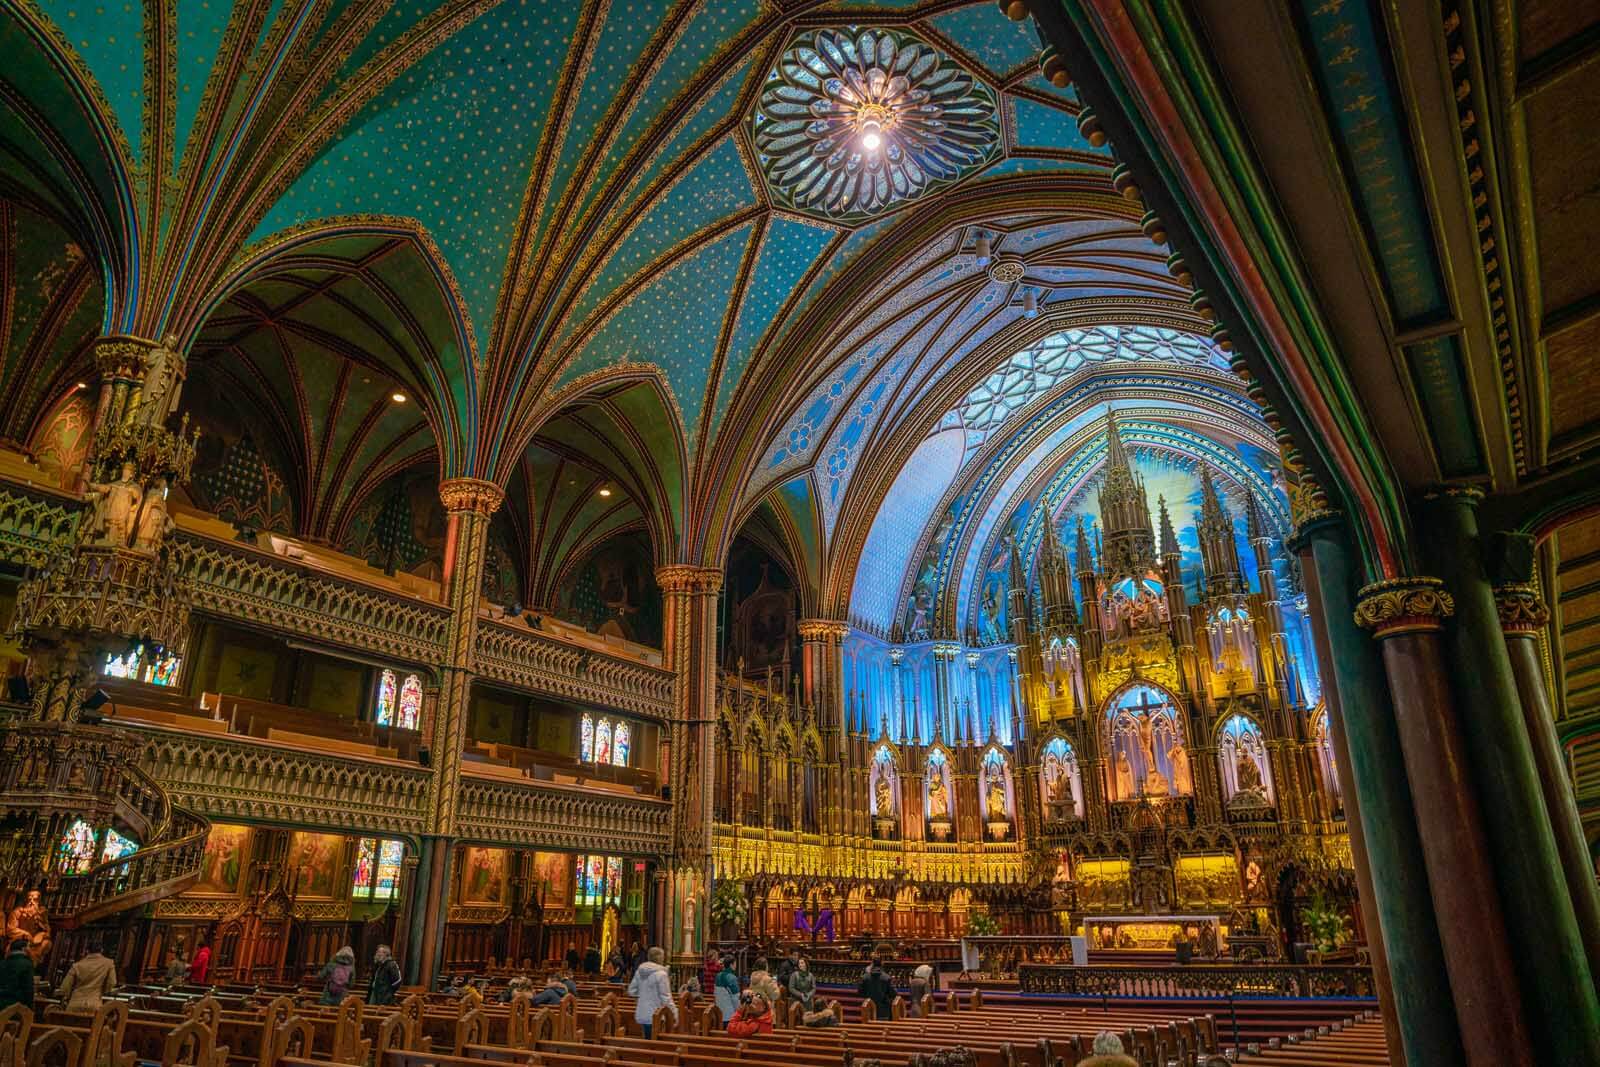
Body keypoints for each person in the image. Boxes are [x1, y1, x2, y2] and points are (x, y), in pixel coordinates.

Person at [626, 946, 677, 1039]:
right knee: (655, 1044)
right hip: (656, 1014)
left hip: (642, 1012)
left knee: (646, 1041)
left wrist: (643, 995)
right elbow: (666, 997)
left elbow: (631, 991)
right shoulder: (661, 974)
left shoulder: (640, 971)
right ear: (660, 958)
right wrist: (675, 1013)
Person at [57, 937, 117, 1013]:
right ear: (102, 950)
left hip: (75, 1003)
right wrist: (104, 991)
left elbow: (65, 987)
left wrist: (66, 996)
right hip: (94, 1003)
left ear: (87, 950)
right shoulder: (109, 963)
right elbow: (112, 982)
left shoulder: (77, 965)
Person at [0, 937, 34, 1011]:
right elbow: (28, 989)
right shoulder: (27, 964)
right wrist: (30, 1007)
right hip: (15, 1007)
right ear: (24, 948)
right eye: (29, 947)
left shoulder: (2, 963)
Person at [714, 955, 740, 1024]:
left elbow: (715, 993)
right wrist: (739, 1012)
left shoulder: (718, 976)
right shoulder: (732, 978)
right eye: (735, 964)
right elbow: (735, 998)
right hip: (729, 1015)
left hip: (719, 1012)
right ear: (731, 965)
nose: (735, 966)